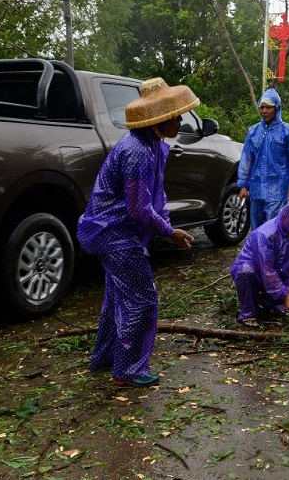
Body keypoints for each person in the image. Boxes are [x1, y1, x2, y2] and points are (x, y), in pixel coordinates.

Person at [78, 77, 197, 387]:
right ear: (161, 119)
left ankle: (105, 358)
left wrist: (168, 227)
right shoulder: (137, 151)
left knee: (117, 298)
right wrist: (170, 233)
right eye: (176, 115)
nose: (181, 120)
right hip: (114, 233)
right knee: (143, 299)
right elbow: (138, 208)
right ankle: (128, 370)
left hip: (116, 231)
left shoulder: (151, 145)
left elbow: (152, 199)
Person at [230, 194, 289, 327]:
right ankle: (249, 311)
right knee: (246, 272)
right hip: (257, 273)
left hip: (280, 274)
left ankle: (267, 305)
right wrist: (285, 296)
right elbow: (267, 271)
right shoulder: (265, 235)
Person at [238, 88, 289, 231]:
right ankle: (259, 253)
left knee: (273, 227)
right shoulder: (253, 132)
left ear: (276, 108)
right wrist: (243, 185)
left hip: (278, 188)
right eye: (262, 107)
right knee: (257, 228)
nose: (264, 111)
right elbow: (247, 159)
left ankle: (274, 253)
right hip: (256, 188)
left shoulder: (288, 131)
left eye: (268, 107)